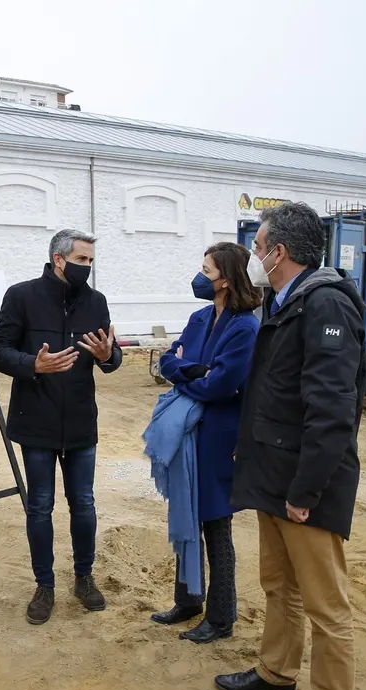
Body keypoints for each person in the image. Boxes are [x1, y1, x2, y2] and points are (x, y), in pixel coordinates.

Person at [214, 202, 366, 690]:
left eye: (258, 247)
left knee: (326, 605)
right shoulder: (284, 302)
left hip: (306, 484)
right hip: (272, 472)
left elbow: (331, 409)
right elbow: (276, 393)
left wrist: (306, 491)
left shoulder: (326, 305)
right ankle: (277, 672)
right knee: (279, 586)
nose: (253, 256)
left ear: (277, 253)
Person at [0, 228, 122, 625]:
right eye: (82, 260)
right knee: (40, 505)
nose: (87, 268)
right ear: (59, 259)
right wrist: (33, 364)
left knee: (83, 502)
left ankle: (84, 578)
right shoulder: (22, 296)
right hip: (37, 420)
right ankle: (44, 584)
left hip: (81, 420)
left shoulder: (95, 302)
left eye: (91, 262)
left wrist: (107, 356)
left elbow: (110, 358)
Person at [151, 242, 262, 644]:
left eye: (206, 270)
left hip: (219, 439)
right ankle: (188, 600)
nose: (199, 277)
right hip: (189, 435)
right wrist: (193, 369)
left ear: (226, 280)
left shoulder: (245, 327)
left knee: (216, 527)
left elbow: (221, 385)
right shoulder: (199, 318)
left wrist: (190, 372)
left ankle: (221, 617)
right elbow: (166, 361)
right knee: (185, 517)